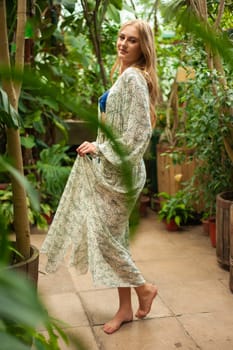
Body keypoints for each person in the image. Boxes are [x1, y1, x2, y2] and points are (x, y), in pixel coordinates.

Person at [41, 19, 159, 334]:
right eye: (121, 37)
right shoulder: (124, 74)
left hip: (121, 173)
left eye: (131, 40)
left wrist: (101, 148)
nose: (122, 43)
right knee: (115, 239)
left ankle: (144, 288)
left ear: (142, 46)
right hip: (114, 169)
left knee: (105, 240)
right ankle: (125, 309)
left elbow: (139, 132)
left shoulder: (134, 78)